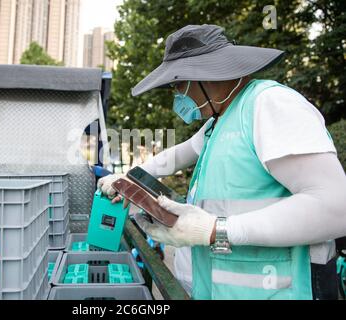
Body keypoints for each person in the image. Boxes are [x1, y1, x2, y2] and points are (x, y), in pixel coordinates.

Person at [98, 24, 346, 300]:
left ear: (202, 75)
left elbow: (337, 207)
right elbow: (177, 155)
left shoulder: (270, 104)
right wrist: (127, 179)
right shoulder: (219, 123)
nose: (177, 94)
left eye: (178, 84)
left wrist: (216, 229)